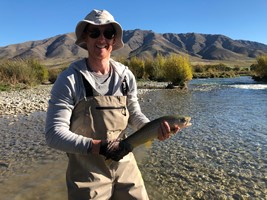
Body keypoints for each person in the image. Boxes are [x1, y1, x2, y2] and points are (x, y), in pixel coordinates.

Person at [45, 9, 180, 200]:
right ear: (85, 37)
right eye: (94, 32)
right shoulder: (69, 79)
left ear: (114, 39)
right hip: (86, 172)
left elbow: (135, 114)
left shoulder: (126, 76)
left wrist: (153, 129)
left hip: (125, 163)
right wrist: (98, 146)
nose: (102, 39)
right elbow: (53, 134)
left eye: (108, 33)